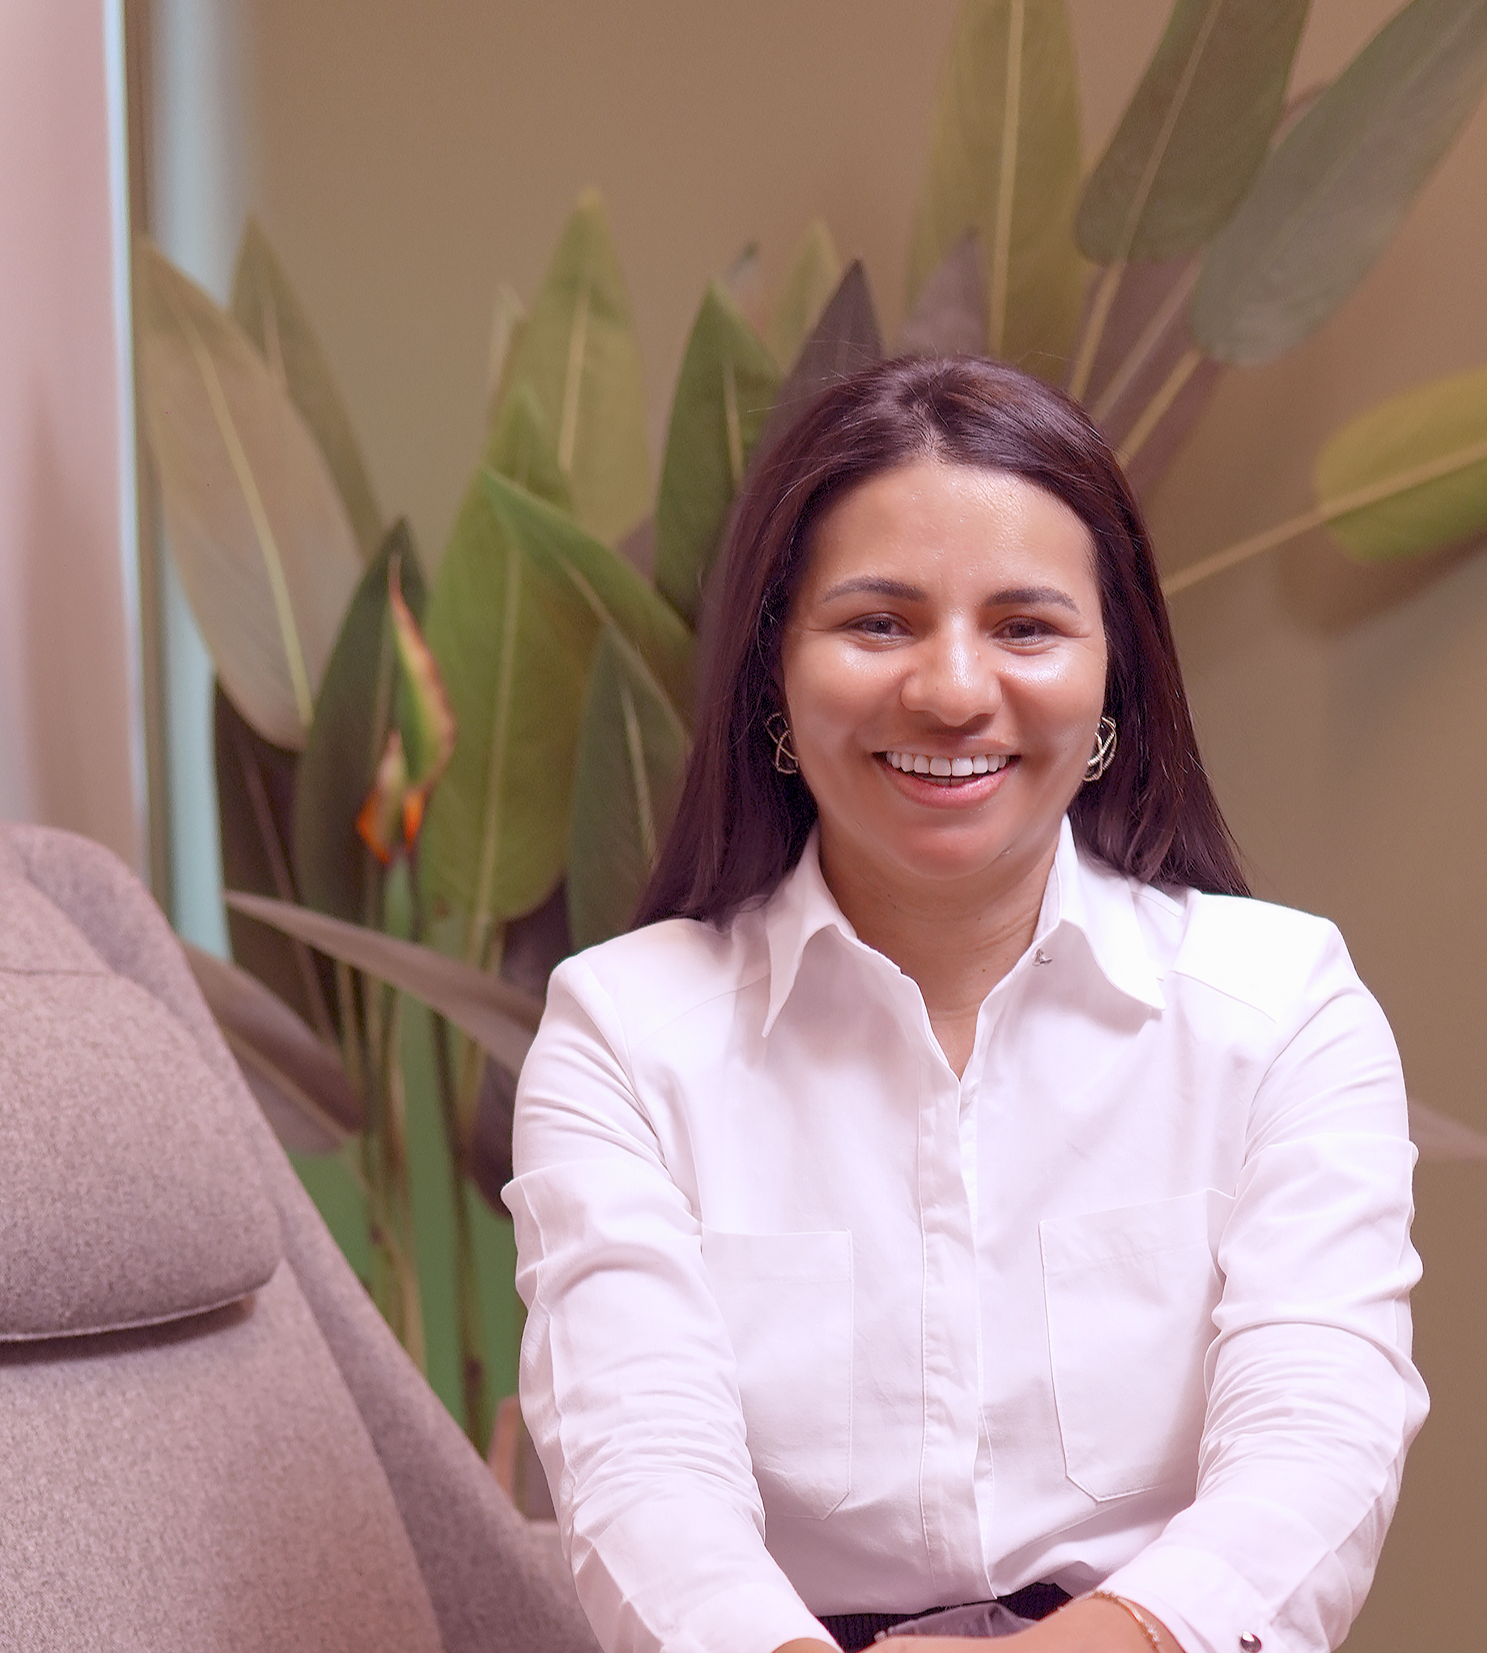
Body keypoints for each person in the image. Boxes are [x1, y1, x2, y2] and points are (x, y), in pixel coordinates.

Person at [506, 355, 1426, 1653]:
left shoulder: (1283, 1009)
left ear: (1114, 678)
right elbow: (642, 1473)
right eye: (878, 622)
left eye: (1026, 627)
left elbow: (1318, 1441)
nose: (949, 690)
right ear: (775, 672)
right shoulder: (621, 1034)